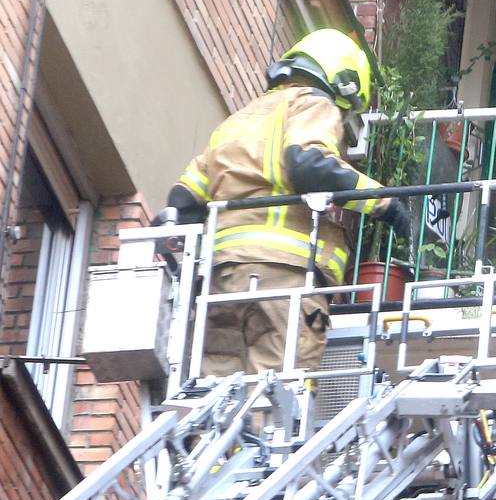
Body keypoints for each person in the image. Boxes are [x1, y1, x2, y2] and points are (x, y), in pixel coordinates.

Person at [166, 28, 412, 377]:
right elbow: (309, 164)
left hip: (223, 281)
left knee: (215, 399)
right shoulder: (312, 104)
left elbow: (184, 196)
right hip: (283, 279)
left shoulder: (237, 122)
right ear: (343, 82)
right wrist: (385, 203)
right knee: (277, 395)